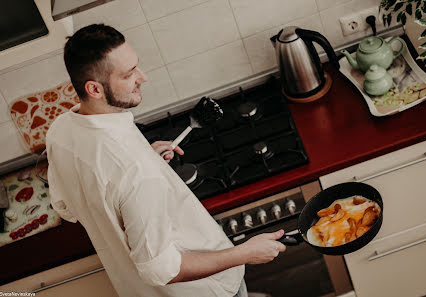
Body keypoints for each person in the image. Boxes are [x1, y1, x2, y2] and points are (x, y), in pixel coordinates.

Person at [46, 24, 286, 297]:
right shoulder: (136, 171)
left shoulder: (61, 130)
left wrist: (141, 161)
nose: (143, 77)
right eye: (128, 74)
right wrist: (244, 253)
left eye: (136, 66)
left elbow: (67, 208)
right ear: (95, 89)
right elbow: (161, 270)